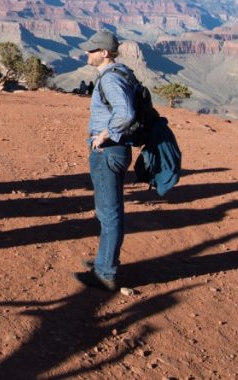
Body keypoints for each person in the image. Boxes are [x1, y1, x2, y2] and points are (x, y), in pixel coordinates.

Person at [75, 29, 135, 292]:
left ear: (104, 53)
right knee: (108, 211)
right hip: (116, 151)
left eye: (92, 49)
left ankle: (105, 273)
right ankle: (104, 261)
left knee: (109, 213)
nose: (86, 53)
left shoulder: (110, 80)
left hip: (108, 151)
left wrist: (103, 135)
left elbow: (126, 113)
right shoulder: (121, 73)